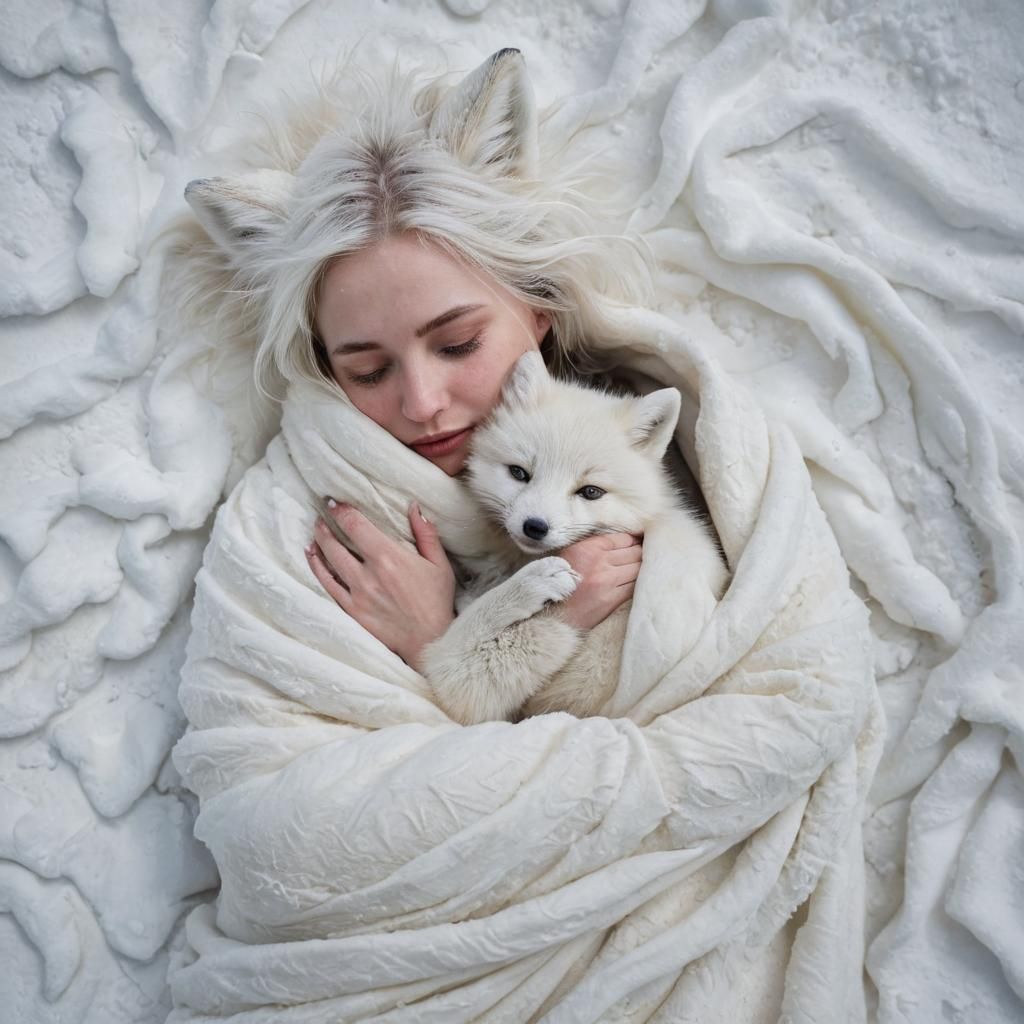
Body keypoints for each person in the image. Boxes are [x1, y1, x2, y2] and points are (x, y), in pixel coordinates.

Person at [180, 48, 672, 685]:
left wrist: (448, 644)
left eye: (458, 343)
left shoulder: (671, 434)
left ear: (539, 307)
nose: (422, 403)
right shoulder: (271, 534)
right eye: (368, 371)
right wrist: (439, 643)